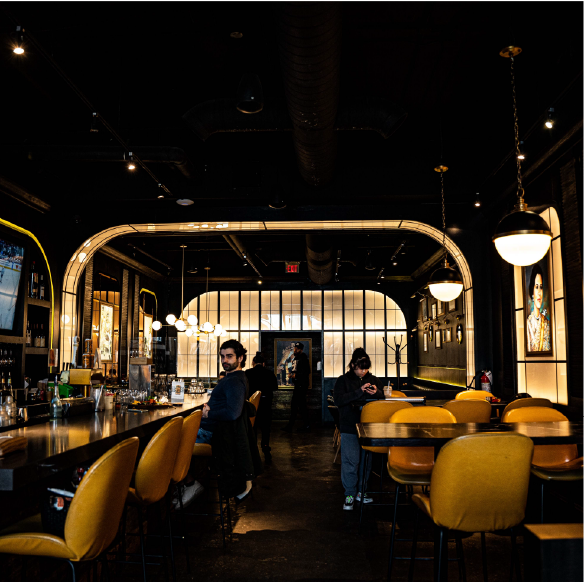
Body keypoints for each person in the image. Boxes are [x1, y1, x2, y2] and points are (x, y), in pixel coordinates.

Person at [177, 339, 251, 506]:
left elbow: (233, 413)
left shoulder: (234, 381)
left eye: (229, 356)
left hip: (212, 434)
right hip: (216, 431)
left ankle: (189, 483)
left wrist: (208, 414)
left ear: (240, 358)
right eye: (222, 356)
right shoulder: (234, 378)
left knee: (172, 442)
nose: (224, 360)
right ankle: (185, 483)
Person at [333, 347, 383, 511]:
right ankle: (349, 494)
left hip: (369, 426)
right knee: (350, 461)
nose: (363, 371)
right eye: (360, 368)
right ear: (353, 365)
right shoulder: (343, 380)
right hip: (349, 426)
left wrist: (376, 393)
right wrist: (359, 391)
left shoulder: (374, 379)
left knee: (366, 462)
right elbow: (339, 400)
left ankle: (362, 491)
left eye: (366, 368)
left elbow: (383, 399)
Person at [245, 352, 278, 463]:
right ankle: (265, 447)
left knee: (252, 428)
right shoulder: (269, 373)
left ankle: (253, 450)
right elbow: (275, 387)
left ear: (253, 362)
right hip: (266, 405)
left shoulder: (247, 373)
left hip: (251, 407)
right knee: (265, 428)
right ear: (263, 363)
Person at [282, 342, 311, 432]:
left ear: (301, 350)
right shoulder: (295, 358)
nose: (295, 350)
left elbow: (307, 372)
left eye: (297, 349)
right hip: (297, 385)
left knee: (299, 406)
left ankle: (304, 425)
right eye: (295, 348)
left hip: (302, 385)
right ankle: (294, 425)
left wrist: (296, 376)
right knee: (297, 406)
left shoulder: (304, 358)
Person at [526, 263, 551, 353]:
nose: (539, 292)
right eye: (536, 287)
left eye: (541, 287)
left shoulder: (547, 324)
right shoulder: (527, 325)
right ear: (532, 291)